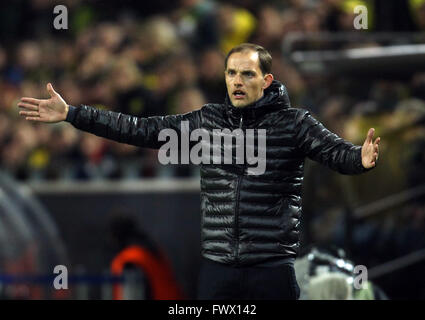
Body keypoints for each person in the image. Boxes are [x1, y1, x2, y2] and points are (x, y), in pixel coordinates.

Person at [17, 43, 380, 300]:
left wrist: (359, 159)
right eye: (231, 73)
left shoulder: (295, 123)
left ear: (267, 81)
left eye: (247, 74)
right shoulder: (207, 121)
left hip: (272, 268)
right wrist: (73, 114)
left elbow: (337, 154)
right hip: (219, 267)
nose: (237, 81)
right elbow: (138, 128)